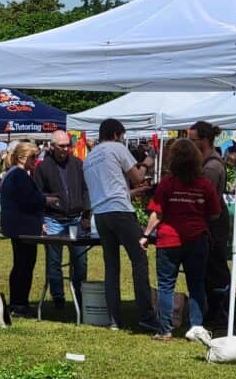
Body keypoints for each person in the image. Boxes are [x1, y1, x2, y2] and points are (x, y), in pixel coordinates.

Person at [140, 138, 221, 341]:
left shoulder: (167, 183)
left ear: (173, 159)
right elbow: (215, 214)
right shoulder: (205, 184)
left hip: (169, 240)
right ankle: (196, 327)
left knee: (166, 285)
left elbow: (157, 213)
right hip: (197, 239)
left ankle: (165, 329)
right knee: (196, 284)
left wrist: (146, 235)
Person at [83, 118, 156, 332]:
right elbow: (137, 177)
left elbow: (108, 188)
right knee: (139, 259)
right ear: (116, 134)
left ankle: (114, 319)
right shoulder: (116, 148)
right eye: (122, 136)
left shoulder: (89, 157)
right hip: (121, 212)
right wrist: (146, 163)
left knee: (111, 267)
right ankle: (146, 315)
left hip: (101, 215)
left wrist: (131, 193)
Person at [33, 130, 91, 309]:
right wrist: (40, 219)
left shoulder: (78, 164)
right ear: (52, 146)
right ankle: (58, 297)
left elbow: (85, 190)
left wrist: (87, 215)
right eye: (62, 146)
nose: (66, 149)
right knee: (53, 260)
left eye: (68, 145)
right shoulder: (42, 168)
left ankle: (79, 294)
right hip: (53, 219)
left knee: (80, 261)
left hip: (76, 218)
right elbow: (37, 195)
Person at [0, 142, 55, 317]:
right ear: (22, 157)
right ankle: (19, 304)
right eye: (33, 157)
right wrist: (46, 200)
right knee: (24, 265)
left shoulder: (14, 174)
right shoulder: (19, 175)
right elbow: (28, 200)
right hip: (22, 227)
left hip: (18, 226)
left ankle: (18, 302)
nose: (35, 160)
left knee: (21, 265)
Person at [187, 122, 230, 326]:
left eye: (192, 140)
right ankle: (212, 310)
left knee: (216, 269)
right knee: (206, 269)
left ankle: (221, 312)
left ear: (204, 140)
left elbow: (204, 197)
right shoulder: (203, 162)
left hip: (214, 222)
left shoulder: (212, 166)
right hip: (207, 221)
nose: (190, 144)